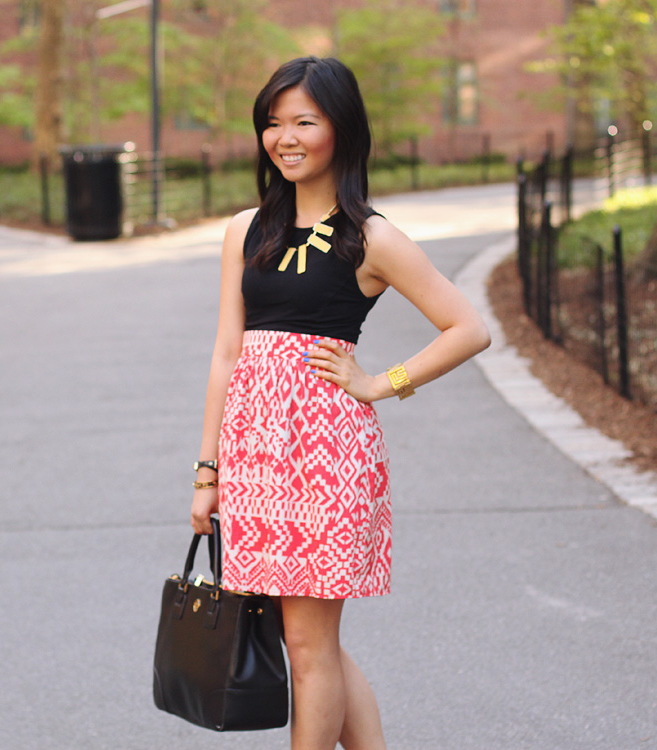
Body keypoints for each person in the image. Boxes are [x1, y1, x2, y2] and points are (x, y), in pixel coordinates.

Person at [190, 56, 490, 750]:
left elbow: (469, 328)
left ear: (341, 130)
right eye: (272, 122)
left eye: (303, 121)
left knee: (307, 636)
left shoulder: (372, 237)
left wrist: (380, 382)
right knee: (306, 635)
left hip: (327, 457)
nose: (283, 137)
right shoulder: (246, 228)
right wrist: (208, 471)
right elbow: (226, 356)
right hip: (255, 455)